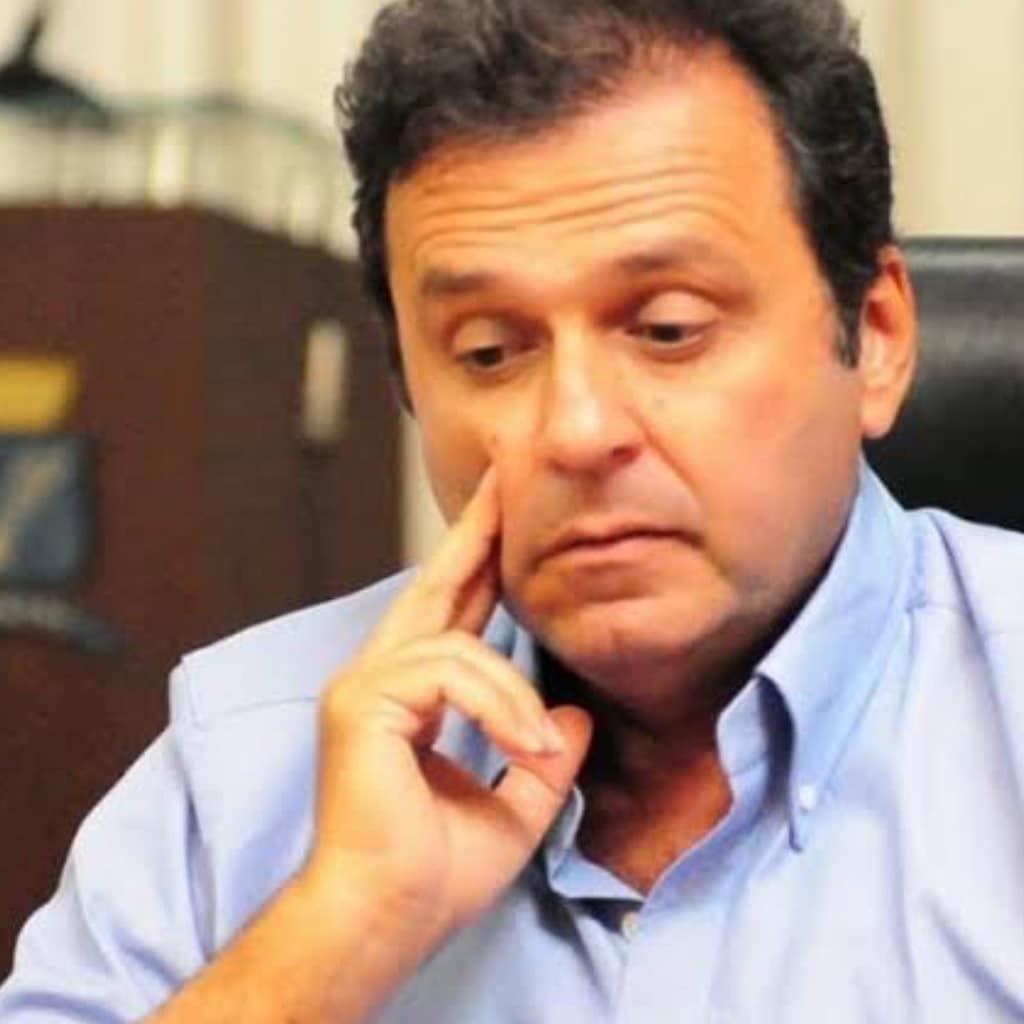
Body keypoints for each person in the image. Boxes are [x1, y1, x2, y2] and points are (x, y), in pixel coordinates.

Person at [3, 0, 1024, 1020]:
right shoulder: (245, 762)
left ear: (876, 334)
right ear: (408, 388)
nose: (575, 431)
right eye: (489, 352)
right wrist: (338, 926)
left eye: (668, 328)